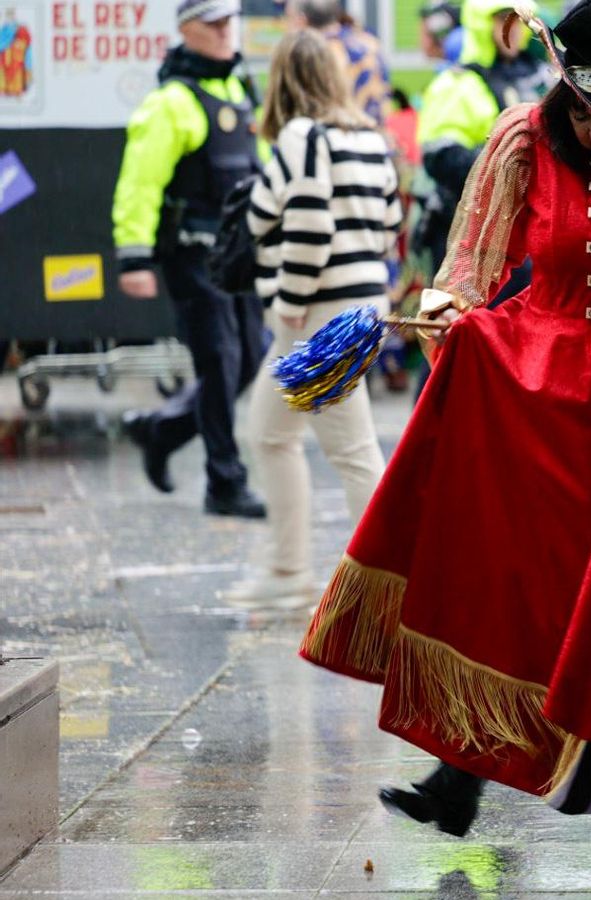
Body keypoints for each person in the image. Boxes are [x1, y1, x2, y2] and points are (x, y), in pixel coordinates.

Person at [298, 0, 591, 871]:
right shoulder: (524, 137)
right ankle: (464, 769)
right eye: (587, 114)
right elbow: (472, 269)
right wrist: (451, 313)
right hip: (545, 396)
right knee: (518, 584)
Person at [223, 31, 401, 608]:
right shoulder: (370, 138)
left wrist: (290, 301)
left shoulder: (302, 136)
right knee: (270, 433)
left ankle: (381, 587)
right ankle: (289, 569)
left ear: (283, 80)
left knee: (348, 449)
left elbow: (308, 220)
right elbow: (389, 224)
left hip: (316, 312)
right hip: (360, 306)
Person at [114, 0, 268, 519]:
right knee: (220, 360)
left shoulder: (240, 90)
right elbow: (139, 185)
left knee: (250, 356)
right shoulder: (171, 102)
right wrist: (134, 259)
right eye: (213, 24)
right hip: (191, 255)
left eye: (230, 22)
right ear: (186, 30)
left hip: (237, 256)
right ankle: (224, 481)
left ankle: (161, 429)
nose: (226, 32)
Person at [413, 0, 553, 272]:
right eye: (502, 20)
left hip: (535, 226)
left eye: (517, 20)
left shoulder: (544, 77)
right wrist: (509, 164)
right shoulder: (459, 83)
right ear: (481, 24)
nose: (511, 29)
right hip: (475, 233)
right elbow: (440, 157)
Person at [292, 0, 389, 125]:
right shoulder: (369, 42)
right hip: (375, 129)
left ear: (301, 21)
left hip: (342, 130)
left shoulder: (320, 50)